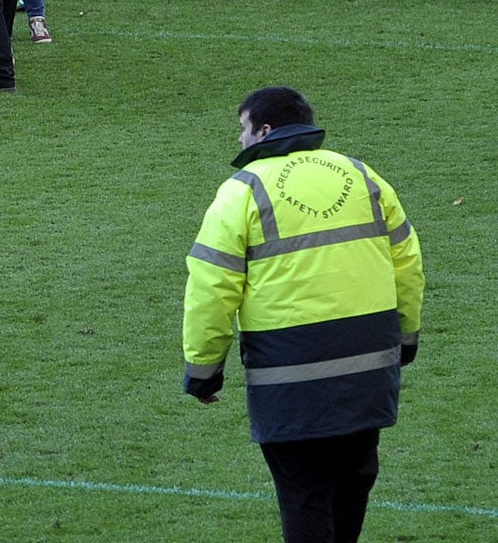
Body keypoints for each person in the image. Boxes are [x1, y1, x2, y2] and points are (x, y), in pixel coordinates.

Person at [182, 86, 424, 543]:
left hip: (289, 377)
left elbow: (212, 287)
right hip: (368, 370)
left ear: (265, 130)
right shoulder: (363, 175)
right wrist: (406, 339)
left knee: (304, 494)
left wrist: (204, 371)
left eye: (242, 129)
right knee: (353, 482)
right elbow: (407, 263)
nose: (239, 140)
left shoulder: (243, 191)